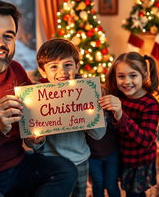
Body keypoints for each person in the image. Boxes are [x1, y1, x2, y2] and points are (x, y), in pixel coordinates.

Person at [0, 0, 77, 197]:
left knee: (65, 170)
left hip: (18, 165)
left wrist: (35, 134)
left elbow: (31, 120)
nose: (0, 43)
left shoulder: (16, 70)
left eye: (7, 36)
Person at [25, 38, 106, 197]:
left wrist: (95, 116)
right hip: (49, 162)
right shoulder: (36, 97)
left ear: (77, 67)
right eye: (53, 66)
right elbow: (31, 144)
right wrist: (37, 139)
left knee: (79, 193)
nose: (62, 72)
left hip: (79, 159)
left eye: (67, 65)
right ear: (43, 71)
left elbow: (98, 134)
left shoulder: (86, 94)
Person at [99, 52, 159, 197]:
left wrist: (121, 115)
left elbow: (147, 140)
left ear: (144, 75)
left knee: (134, 193)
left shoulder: (150, 104)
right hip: (120, 155)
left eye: (133, 75)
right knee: (118, 185)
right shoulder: (117, 96)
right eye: (121, 76)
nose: (126, 81)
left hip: (139, 160)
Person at [86, 107, 121, 197]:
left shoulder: (110, 107)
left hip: (111, 153)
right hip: (92, 155)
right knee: (98, 184)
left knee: (111, 184)